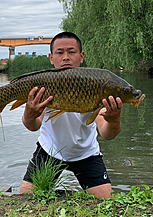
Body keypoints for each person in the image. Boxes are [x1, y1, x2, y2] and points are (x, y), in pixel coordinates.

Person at [20, 31, 123, 198]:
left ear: (81, 56)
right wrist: (29, 115)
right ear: (51, 58)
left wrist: (114, 120)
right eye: (60, 53)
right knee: (25, 199)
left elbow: (107, 133)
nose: (66, 57)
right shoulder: (44, 84)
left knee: (106, 202)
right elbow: (33, 126)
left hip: (86, 153)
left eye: (71, 52)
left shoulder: (96, 83)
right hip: (49, 151)